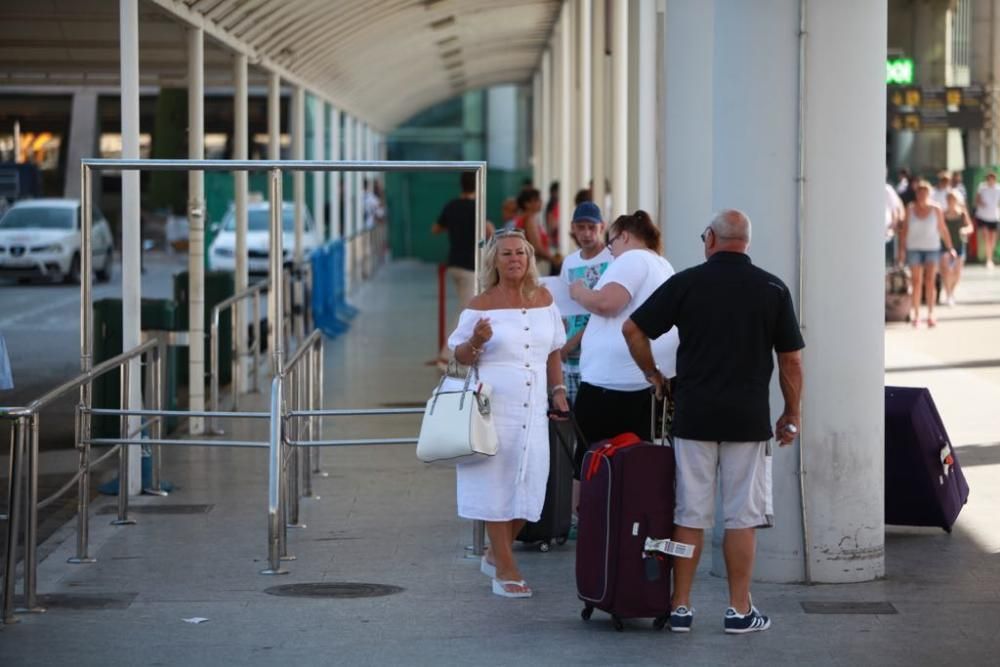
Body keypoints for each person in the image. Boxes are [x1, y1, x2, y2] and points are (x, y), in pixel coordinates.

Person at [622, 209, 804, 635]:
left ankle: (681, 608)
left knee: (689, 514)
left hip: (693, 417)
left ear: (710, 240)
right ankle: (739, 611)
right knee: (742, 518)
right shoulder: (772, 288)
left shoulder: (687, 282)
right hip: (748, 420)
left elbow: (633, 329)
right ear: (747, 243)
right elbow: (791, 360)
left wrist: (654, 376)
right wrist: (791, 413)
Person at [448, 229, 569, 599]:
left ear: (530, 258)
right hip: (493, 408)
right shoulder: (480, 304)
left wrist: (559, 390)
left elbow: (553, 352)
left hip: (534, 410)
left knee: (531, 484)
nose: (515, 259)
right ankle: (505, 567)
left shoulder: (545, 298)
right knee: (494, 486)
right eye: (506, 254)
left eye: (520, 253)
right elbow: (459, 358)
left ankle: (494, 551)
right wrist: (477, 341)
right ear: (494, 262)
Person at [568, 210, 679, 472]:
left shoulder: (633, 259)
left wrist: (579, 291)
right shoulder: (663, 265)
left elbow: (608, 303)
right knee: (636, 464)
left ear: (625, 236)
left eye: (612, 243)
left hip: (611, 385)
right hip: (644, 382)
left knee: (589, 462)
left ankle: (587, 513)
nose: (611, 252)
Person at [432, 172, 494, 366]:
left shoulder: (451, 206)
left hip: (454, 264)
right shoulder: (477, 207)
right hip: (470, 266)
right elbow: (490, 231)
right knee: (467, 310)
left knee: (466, 307)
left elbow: (435, 229)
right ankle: (447, 354)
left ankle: (455, 351)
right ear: (477, 186)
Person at [559, 201, 612, 406]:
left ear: (602, 227)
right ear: (573, 228)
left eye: (592, 227)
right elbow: (563, 307)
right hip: (570, 360)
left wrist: (573, 342)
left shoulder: (612, 259)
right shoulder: (570, 262)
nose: (586, 233)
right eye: (581, 227)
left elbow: (605, 309)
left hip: (598, 357)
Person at [898, 180, 958, 327]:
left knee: (930, 281)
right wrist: (901, 250)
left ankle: (931, 314)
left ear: (929, 194)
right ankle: (916, 314)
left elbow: (943, 229)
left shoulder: (936, 209)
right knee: (916, 281)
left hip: (932, 248)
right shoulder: (910, 209)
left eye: (925, 192)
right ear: (916, 194)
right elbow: (904, 231)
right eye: (919, 192)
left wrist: (950, 247)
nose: (922, 195)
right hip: (914, 248)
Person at [940, 191, 974, 306]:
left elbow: (970, 227)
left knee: (957, 271)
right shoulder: (943, 214)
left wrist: (965, 230)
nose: (951, 201)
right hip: (945, 246)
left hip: (959, 244)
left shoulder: (962, 214)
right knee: (946, 270)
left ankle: (952, 292)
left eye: (953, 199)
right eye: (949, 199)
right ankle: (948, 293)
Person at [514, 188, 556, 276]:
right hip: (534, 265)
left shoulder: (524, 218)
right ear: (527, 204)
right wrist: (554, 259)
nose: (541, 202)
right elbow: (537, 248)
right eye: (537, 200)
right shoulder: (529, 219)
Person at [974, 171, 1000, 269]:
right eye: (989, 178)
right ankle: (988, 259)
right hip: (983, 217)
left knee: (992, 239)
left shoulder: (998, 188)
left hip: (995, 217)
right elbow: (977, 199)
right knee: (986, 238)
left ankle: (990, 258)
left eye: (992, 178)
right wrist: (981, 203)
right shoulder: (982, 187)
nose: (991, 180)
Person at [885, 180, 905, 266]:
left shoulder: (887, 189)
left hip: (887, 234)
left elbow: (895, 209)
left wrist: (893, 225)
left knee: (888, 264)